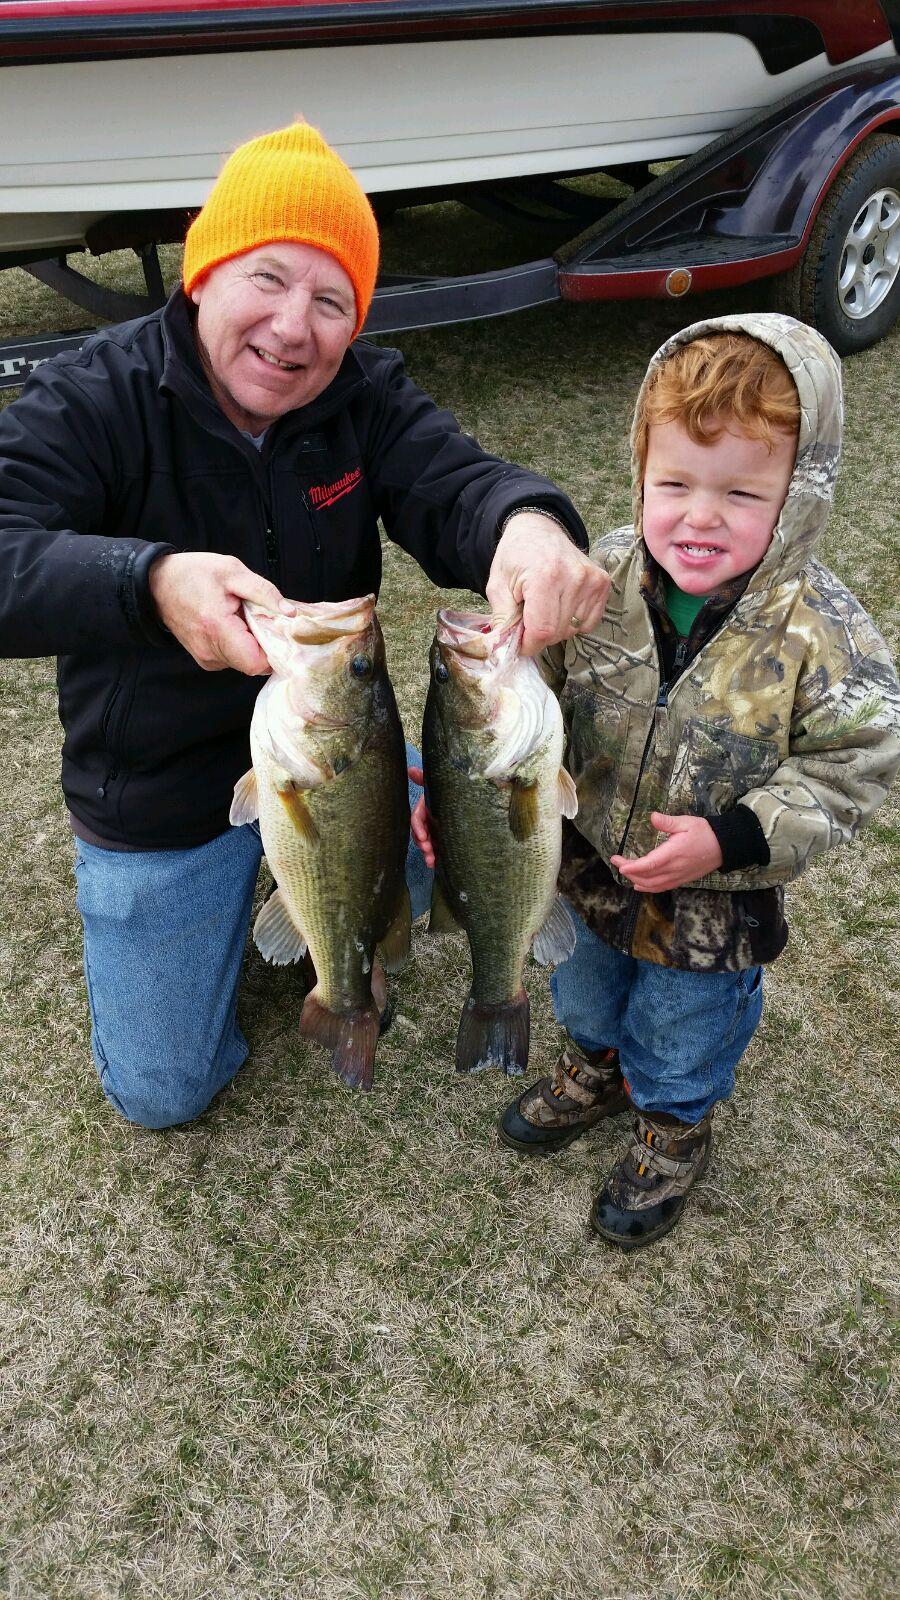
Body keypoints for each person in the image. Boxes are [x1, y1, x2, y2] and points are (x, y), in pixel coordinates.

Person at [0, 122, 608, 1130]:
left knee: (425, 867)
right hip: (155, 792)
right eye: (268, 278)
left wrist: (528, 525)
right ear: (203, 270)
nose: (295, 327)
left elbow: (459, 483)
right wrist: (146, 582)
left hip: (344, 764)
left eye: (332, 301)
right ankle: (263, 901)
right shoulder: (91, 397)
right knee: (161, 1094)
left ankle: (407, 808)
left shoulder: (363, 397)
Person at [497, 312, 900, 1249]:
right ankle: (593, 1068)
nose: (700, 515)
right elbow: (539, 685)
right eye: (673, 482)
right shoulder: (595, 576)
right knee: (588, 992)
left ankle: (674, 1129)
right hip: (592, 866)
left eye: (742, 491)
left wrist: (731, 839)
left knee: (683, 1030)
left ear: (799, 497)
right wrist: (508, 672)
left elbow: (855, 766)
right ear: (638, 472)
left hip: (716, 900)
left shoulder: (826, 637)